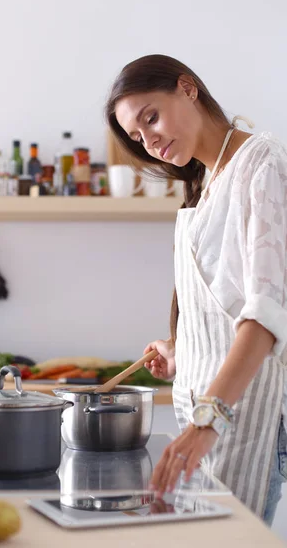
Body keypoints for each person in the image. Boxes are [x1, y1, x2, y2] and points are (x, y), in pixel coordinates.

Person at [105, 55, 287, 525]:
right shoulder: (208, 183)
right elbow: (226, 308)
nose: (151, 140)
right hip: (216, 415)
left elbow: (266, 315)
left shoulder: (261, 163)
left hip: (246, 419)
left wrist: (208, 421)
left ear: (187, 88)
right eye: (138, 137)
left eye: (151, 117)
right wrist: (181, 348)